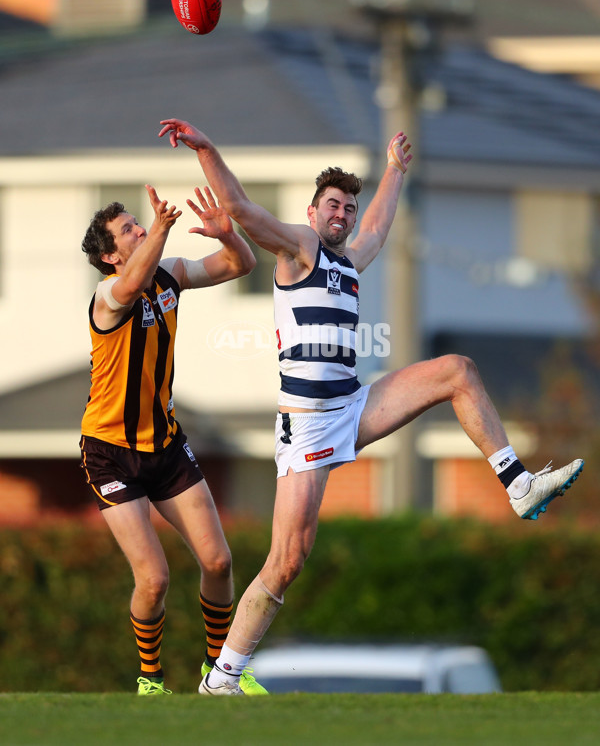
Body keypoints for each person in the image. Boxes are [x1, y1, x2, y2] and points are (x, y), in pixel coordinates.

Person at [158, 117, 584, 696]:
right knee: (288, 560)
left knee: (457, 371)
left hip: (352, 405)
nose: (342, 215)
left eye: (347, 208)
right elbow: (239, 206)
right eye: (332, 205)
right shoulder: (300, 247)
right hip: (307, 425)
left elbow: (379, 227)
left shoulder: (349, 259)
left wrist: (394, 170)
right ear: (312, 213)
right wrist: (206, 148)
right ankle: (222, 677)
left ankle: (518, 485)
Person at [80, 182, 267, 695]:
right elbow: (132, 282)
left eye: (139, 224)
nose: (140, 230)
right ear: (108, 256)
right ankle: (151, 679)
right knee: (155, 579)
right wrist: (161, 230)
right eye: (128, 231)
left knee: (219, 561)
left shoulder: (171, 274)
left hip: (165, 445)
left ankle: (218, 673)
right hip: (111, 454)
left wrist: (229, 237)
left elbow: (241, 266)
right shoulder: (107, 296)